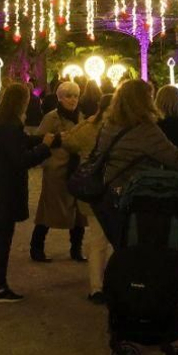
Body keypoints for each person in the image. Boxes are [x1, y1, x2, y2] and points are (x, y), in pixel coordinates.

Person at [80, 80, 178, 303]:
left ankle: (111, 289)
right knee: (143, 248)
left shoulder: (109, 125)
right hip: (136, 198)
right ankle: (143, 295)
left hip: (108, 194)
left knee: (116, 246)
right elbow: (175, 159)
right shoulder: (146, 130)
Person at [0, 83, 62, 302]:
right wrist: (44, 148)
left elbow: (21, 142)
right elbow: (21, 160)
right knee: (3, 238)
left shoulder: (1, 124)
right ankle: (0, 286)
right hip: (5, 191)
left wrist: (43, 140)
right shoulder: (11, 126)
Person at [63, 89, 115, 302]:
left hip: (93, 189)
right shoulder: (122, 128)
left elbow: (68, 141)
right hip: (113, 188)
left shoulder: (89, 127)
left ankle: (96, 287)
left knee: (97, 239)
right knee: (113, 239)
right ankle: (111, 282)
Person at [31, 80, 87, 263]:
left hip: (76, 169)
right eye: (68, 96)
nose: (72, 100)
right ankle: (37, 247)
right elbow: (40, 139)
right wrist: (56, 140)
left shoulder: (81, 117)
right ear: (60, 98)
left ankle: (76, 248)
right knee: (49, 210)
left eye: (75, 96)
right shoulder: (51, 117)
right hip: (57, 169)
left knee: (78, 211)